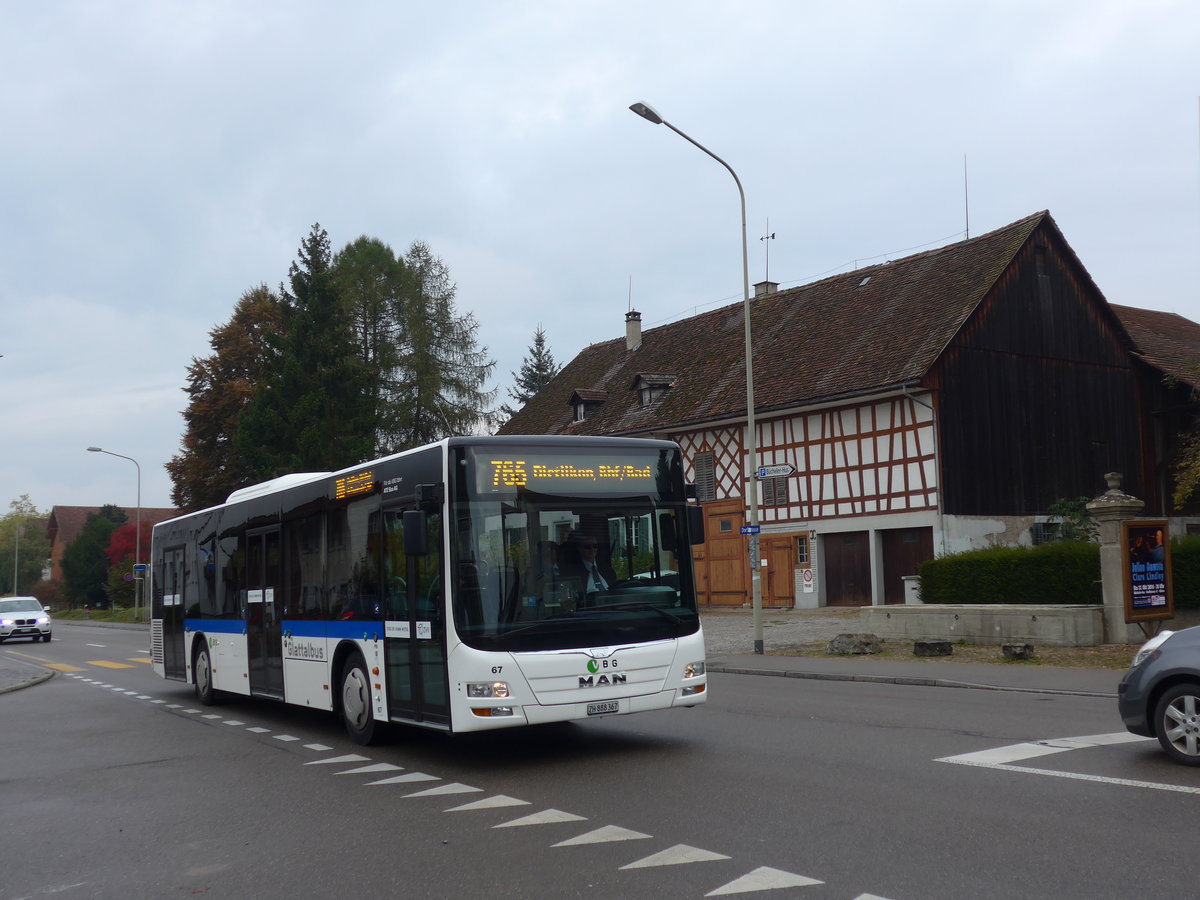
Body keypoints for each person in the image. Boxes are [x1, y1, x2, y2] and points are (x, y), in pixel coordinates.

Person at [560, 531, 617, 605]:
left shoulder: (607, 570)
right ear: (579, 549)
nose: (592, 550)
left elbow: (616, 590)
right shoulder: (572, 573)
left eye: (595, 546)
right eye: (587, 547)